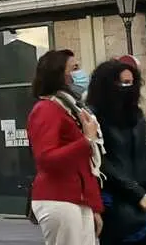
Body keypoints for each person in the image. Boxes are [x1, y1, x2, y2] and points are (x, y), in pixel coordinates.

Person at [27, 49, 104, 245]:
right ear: (59, 75)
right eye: (75, 68)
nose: (81, 74)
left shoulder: (71, 109)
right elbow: (46, 158)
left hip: (78, 199)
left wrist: (94, 207)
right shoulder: (45, 110)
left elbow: (85, 166)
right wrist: (86, 140)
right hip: (58, 198)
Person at [87, 60, 146, 245]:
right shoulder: (94, 117)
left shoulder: (136, 116)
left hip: (145, 204)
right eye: (122, 83)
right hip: (116, 204)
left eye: (131, 82)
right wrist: (138, 194)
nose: (127, 88)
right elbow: (103, 162)